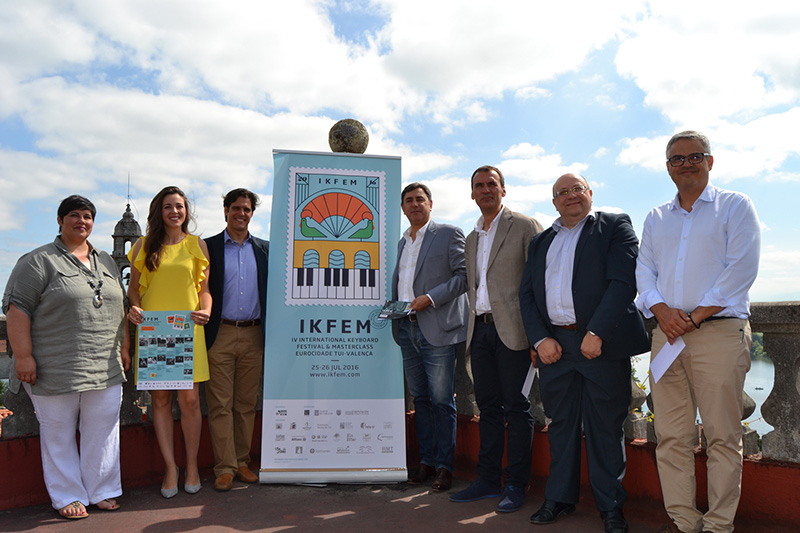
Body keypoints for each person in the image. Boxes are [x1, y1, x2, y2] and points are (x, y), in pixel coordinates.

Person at [636, 131, 761, 533]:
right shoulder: (656, 217)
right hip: (667, 335)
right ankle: (684, 521)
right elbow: (644, 272)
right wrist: (662, 312)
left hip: (718, 333)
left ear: (710, 161)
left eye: (695, 156)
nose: (686, 163)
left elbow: (741, 270)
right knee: (671, 435)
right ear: (667, 167)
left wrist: (693, 317)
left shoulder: (735, 205)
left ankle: (719, 525)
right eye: (678, 158)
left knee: (722, 436)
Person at [519, 174, 649, 532]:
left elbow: (624, 282)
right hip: (556, 347)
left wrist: (597, 332)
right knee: (561, 425)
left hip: (600, 346)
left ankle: (611, 507)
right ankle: (559, 498)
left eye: (577, 189)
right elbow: (527, 294)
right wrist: (540, 338)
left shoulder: (614, 226)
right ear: (554, 202)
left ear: (590, 193)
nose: (571, 195)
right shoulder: (541, 241)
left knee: (605, 427)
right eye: (562, 192)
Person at [3, 195, 129, 519]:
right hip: (55, 365)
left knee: (103, 431)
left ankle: (102, 489)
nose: (81, 221)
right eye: (74, 215)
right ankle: (67, 495)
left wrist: (125, 348)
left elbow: (120, 308)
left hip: (104, 364)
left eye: (87, 216)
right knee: (57, 434)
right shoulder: (37, 260)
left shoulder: (106, 260)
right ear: (60, 221)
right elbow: (17, 309)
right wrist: (23, 357)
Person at [449, 165, 543, 513]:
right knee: (487, 408)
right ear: (472, 193)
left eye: (492, 184)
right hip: (480, 331)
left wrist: (538, 336)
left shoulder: (525, 226)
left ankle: (516, 484)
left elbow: (539, 282)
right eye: (479, 185)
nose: (485, 190)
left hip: (515, 331)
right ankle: (488, 480)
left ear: (503, 190)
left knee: (517, 408)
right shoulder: (472, 237)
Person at [127, 186, 212, 498]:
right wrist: (134, 308)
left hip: (188, 331)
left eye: (179, 206)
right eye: (168, 206)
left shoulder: (197, 244)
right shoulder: (142, 245)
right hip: (154, 332)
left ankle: (191, 466)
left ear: (186, 211)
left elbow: (204, 290)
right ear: (158, 212)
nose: (174, 212)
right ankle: (170, 468)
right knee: (161, 400)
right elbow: (134, 290)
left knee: (190, 401)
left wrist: (206, 310)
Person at [391, 182, 468, 492]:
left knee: (441, 401)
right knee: (420, 399)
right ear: (403, 208)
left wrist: (430, 298)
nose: (414, 204)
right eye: (409, 200)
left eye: (420, 199)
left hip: (437, 327)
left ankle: (445, 467)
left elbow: (464, 277)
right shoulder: (401, 243)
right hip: (406, 327)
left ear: (430, 204)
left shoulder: (449, 233)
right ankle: (426, 462)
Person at [204, 188, 269, 492]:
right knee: (220, 404)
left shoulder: (266, 250)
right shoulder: (208, 247)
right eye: (236, 208)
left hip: (255, 334)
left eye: (246, 209)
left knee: (246, 404)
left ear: (252, 213)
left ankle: (242, 462)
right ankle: (225, 467)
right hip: (220, 333)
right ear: (226, 211)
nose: (241, 214)